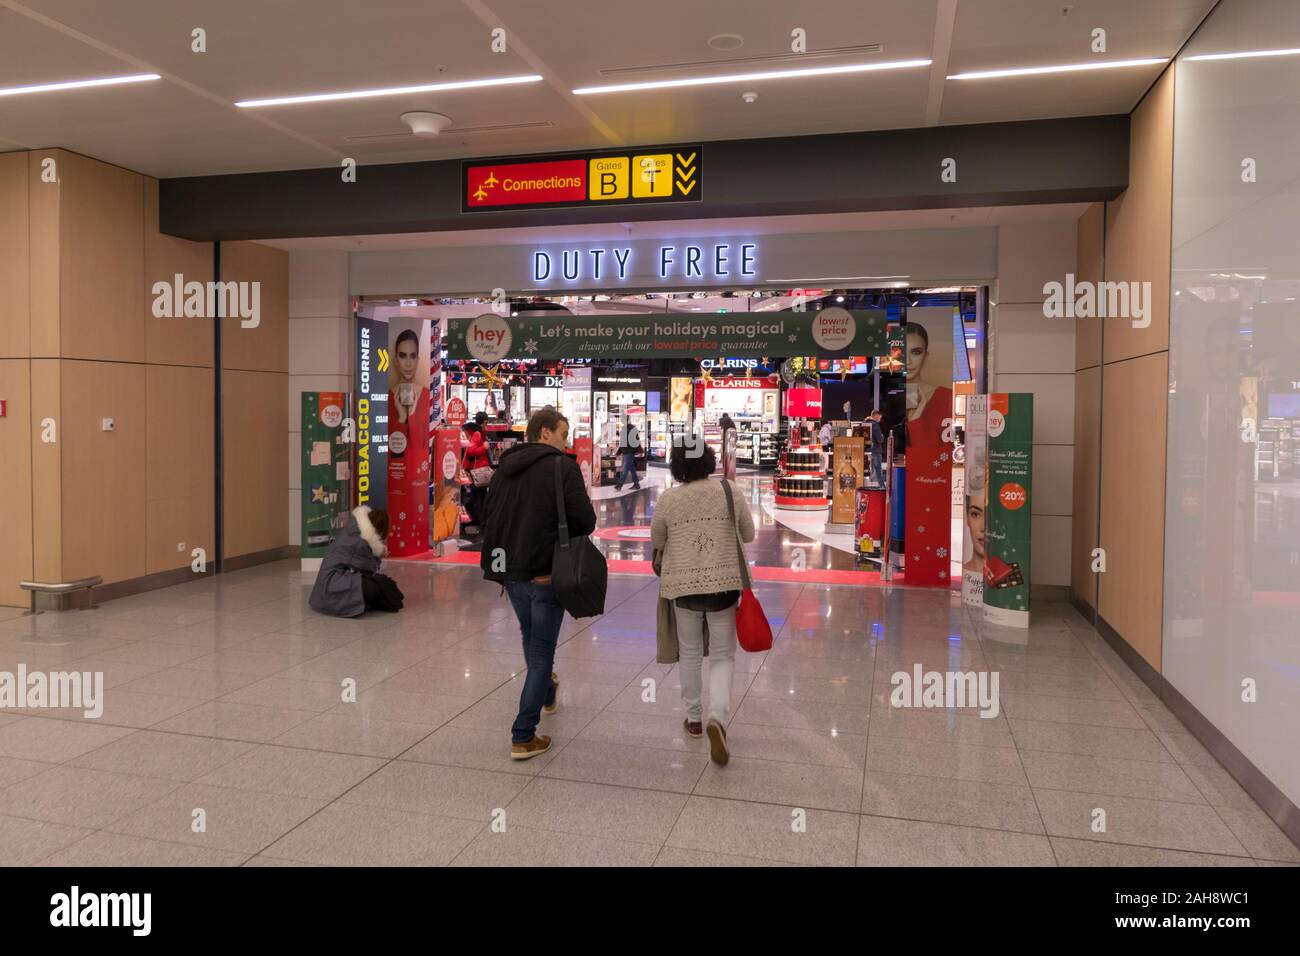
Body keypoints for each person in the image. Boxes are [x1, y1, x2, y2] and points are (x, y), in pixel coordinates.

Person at [480, 407, 597, 760]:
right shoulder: (563, 468)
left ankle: (547, 692)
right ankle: (523, 734)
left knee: (532, 640)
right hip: (547, 572)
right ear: (545, 433)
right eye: (563, 434)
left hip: (511, 572)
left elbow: (491, 518)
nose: (567, 440)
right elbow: (585, 520)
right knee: (542, 651)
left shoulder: (504, 470)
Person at [650, 440, 755, 765]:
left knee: (691, 653)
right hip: (725, 586)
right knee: (723, 655)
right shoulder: (729, 491)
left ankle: (694, 718)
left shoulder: (669, 499)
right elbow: (749, 534)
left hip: (683, 587)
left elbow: (657, 539)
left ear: (677, 466)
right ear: (709, 461)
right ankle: (717, 718)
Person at [309, 506, 401, 616]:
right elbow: (369, 571)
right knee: (374, 589)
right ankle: (354, 604)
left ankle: (363, 603)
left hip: (330, 580)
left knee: (384, 585)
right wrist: (379, 556)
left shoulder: (354, 531)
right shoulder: (360, 543)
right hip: (331, 585)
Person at [461, 421, 489, 531]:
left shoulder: (472, 433)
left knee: (478, 496)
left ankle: (478, 520)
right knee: (479, 497)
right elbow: (471, 451)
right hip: (478, 471)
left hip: (474, 470)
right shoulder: (477, 434)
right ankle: (473, 519)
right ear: (484, 422)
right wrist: (484, 447)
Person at [614, 409, 642, 491]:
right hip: (627, 451)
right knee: (632, 468)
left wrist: (640, 450)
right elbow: (622, 442)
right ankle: (636, 484)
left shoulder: (632, 429)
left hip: (630, 452)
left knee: (625, 469)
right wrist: (619, 452)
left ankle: (620, 484)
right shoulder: (624, 429)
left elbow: (636, 440)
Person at [868, 409, 887, 486]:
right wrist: (882, 437)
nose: (880, 419)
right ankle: (882, 486)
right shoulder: (875, 425)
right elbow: (879, 439)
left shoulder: (864, 423)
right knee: (878, 471)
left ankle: (867, 486)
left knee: (868, 470)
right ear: (876, 415)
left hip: (867, 450)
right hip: (875, 450)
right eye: (879, 417)